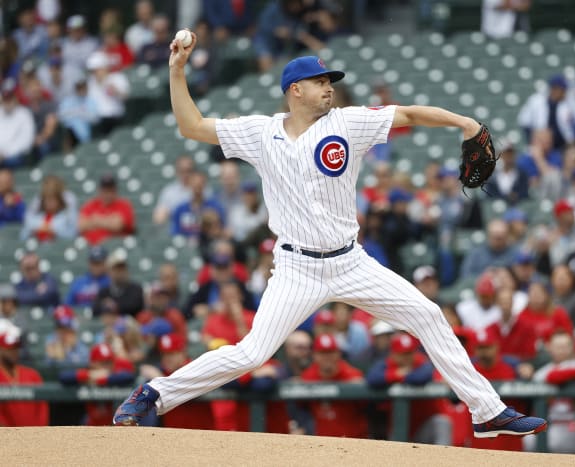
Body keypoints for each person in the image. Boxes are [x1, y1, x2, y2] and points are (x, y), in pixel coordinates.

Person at [113, 43, 547, 438]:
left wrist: (465, 122)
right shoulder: (261, 133)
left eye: (330, 81)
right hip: (296, 268)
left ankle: (487, 410)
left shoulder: (348, 122)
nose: (329, 88)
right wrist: (176, 70)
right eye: (320, 82)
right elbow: (192, 126)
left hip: (351, 262)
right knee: (251, 353)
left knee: (429, 314)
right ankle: (155, 394)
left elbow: (410, 114)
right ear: (295, 89)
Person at [367, 332, 453, 445]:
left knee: (442, 423)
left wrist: (399, 376)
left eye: (410, 352)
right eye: (403, 354)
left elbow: (422, 377)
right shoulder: (386, 364)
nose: (408, 357)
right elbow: (372, 378)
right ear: (393, 354)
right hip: (396, 431)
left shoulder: (421, 361)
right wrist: (397, 374)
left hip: (422, 429)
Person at [139, 334, 216, 429]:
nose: (167, 359)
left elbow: (185, 388)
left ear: (182, 353)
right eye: (164, 354)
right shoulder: (162, 370)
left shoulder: (194, 368)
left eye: (171, 354)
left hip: (200, 431)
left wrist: (158, 377)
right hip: (171, 434)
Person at [59, 343, 136, 426]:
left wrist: (103, 379)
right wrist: (89, 375)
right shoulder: (88, 372)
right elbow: (63, 377)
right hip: (92, 424)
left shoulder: (115, 372)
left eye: (109, 362)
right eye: (102, 363)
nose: (107, 366)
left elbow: (129, 376)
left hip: (115, 424)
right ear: (92, 363)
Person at [517, 75, 575, 150]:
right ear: (554, 89)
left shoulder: (570, 101)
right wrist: (533, 139)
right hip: (541, 144)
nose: (565, 92)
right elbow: (524, 121)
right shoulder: (536, 100)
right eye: (563, 89)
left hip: (565, 144)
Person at [0, 330, 49, 426]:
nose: (14, 352)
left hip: (34, 437)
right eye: (10, 348)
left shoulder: (32, 375)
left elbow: (42, 409)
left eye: (16, 348)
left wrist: (40, 433)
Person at [78, 173, 136, 245]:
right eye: (105, 190)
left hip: (117, 247)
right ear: (100, 190)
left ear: (115, 190)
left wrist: (95, 220)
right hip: (92, 247)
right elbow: (81, 225)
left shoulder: (124, 205)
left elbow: (117, 225)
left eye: (110, 190)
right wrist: (109, 220)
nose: (107, 194)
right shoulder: (91, 205)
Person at [170, 170, 225, 237]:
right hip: (185, 244)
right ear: (190, 184)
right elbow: (175, 232)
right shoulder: (180, 209)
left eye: (200, 183)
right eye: (195, 183)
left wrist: (212, 224)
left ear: (205, 184)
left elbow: (221, 231)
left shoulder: (215, 207)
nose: (197, 186)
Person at [92, 249, 145, 318]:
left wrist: (112, 305)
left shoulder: (136, 289)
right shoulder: (104, 291)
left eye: (123, 269)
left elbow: (134, 307)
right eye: (116, 269)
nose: (120, 272)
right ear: (109, 271)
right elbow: (95, 310)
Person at [0, 79, 35, 168]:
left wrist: (6, 153)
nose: (7, 102)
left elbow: (26, 142)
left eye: (9, 98)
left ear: (15, 98)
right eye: (5, 99)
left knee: (12, 161)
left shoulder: (24, 114)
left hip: (16, 155)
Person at [153, 155, 195, 224]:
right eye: (182, 171)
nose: (186, 174)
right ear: (177, 171)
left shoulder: (202, 189)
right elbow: (158, 218)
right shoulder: (169, 192)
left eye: (188, 171)